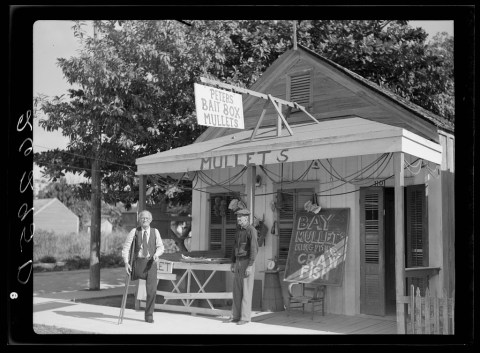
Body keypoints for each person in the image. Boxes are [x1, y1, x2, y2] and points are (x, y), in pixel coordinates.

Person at [122, 210, 164, 323]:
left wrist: (156, 254)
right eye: (142, 218)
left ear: (150, 220)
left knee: (152, 291)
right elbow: (126, 248)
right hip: (138, 263)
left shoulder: (155, 232)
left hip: (151, 264)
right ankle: (122, 311)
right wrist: (126, 263)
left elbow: (161, 247)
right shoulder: (134, 231)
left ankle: (149, 315)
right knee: (129, 284)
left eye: (147, 218)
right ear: (139, 220)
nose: (144, 220)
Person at [225, 208, 259, 325]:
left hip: (247, 262)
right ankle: (235, 315)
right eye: (237, 216)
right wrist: (233, 262)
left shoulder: (251, 230)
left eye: (241, 217)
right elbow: (234, 246)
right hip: (238, 262)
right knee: (237, 290)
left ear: (246, 218)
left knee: (246, 290)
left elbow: (254, 249)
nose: (238, 219)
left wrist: (250, 265)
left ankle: (245, 318)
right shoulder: (238, 230)